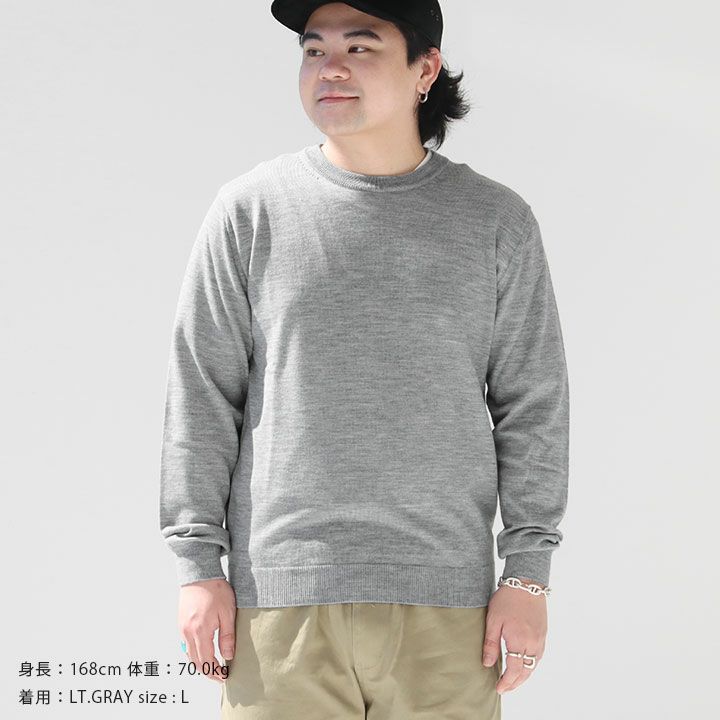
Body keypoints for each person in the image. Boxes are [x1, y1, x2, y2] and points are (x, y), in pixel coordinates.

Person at [159, 1, 569, 717]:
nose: (330, 69)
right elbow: (202, 394)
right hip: (280, 604)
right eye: (314, 50)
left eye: (360, 47)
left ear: (425, 69)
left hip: (450, 610)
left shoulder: (495, 221)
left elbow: (532, 404)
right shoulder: (250, 211)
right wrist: (198, 566)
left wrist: (527, 575)